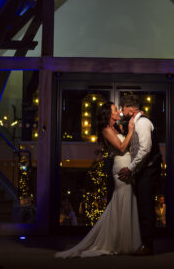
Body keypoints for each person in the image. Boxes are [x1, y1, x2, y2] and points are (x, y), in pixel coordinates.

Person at [56, 102, 140, 258]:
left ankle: (121, 241)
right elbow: (121, 148)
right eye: (115, 110)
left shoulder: (116, 128)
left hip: (127, 166)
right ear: (109, 114)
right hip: (121, 167)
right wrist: (130, 130)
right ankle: (118, 243)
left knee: (124, 204)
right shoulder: (106, 130)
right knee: (121, 203)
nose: (118, 112)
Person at [117, 93, 162, 256]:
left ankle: (148, 245)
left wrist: (130, 168)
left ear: (130, 109)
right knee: (143, 206)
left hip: (149, 170)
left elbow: (145, 149)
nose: (121, 111)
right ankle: (144, 243)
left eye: (122, 108)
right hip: (144, 170)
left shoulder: (143, 123)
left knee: (146, 208)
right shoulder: (135, 123)